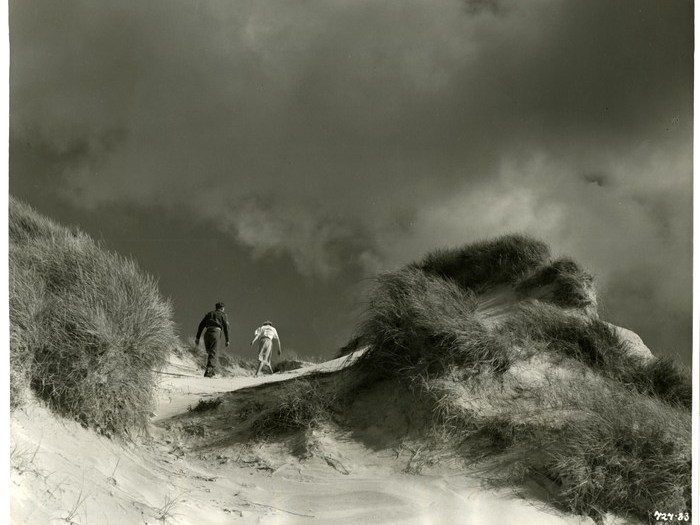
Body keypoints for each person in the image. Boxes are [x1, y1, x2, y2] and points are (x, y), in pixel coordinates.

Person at [195, 302, 230, 378]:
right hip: (216, 333)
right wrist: (227, 340)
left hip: (207, 334)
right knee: (213, 352)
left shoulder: (209, 314)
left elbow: (201, 325)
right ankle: (209, 372)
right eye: (223, 309)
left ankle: (212, 371)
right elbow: (226, 328)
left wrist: (197, 337)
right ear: (222, 308)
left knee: (210, 352)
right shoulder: (222, 315)